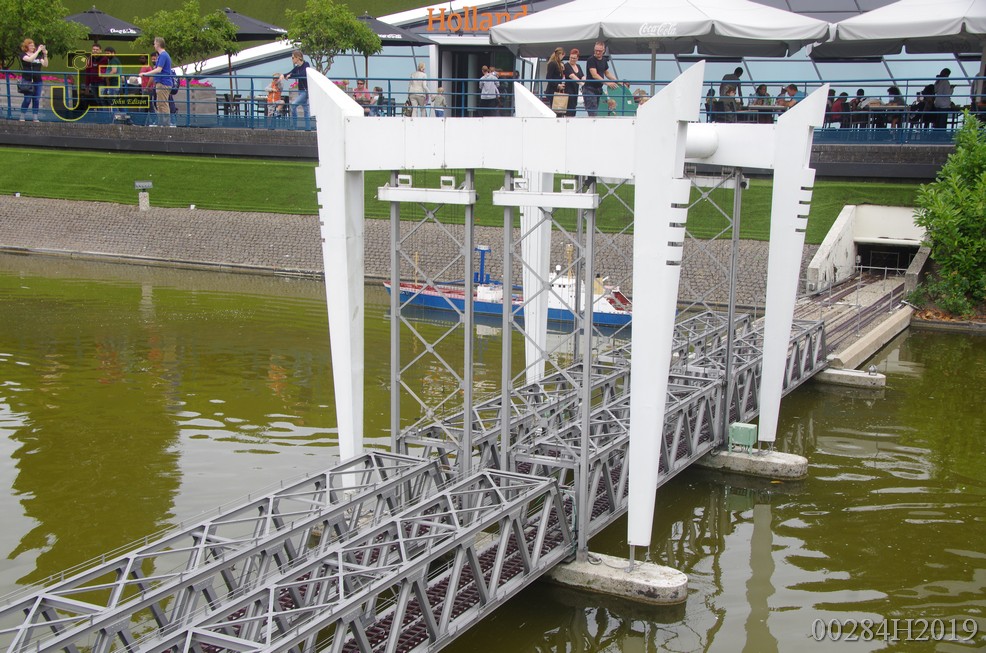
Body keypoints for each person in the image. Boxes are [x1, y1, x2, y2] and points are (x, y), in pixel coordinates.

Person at [138, 37, 175, 127]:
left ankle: (165, 123)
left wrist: (145, 74)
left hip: (163, 82)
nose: (154, 45)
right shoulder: (162, 55)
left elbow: (158, 69)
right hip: (161, 82)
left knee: (163, 103)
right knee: (159, 103)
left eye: (154, 43)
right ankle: (161, 122)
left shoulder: (163, 55)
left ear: (158, 44)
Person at [583, 41, 617, 117]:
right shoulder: (591, 60)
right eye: (596, 50)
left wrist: (616, 81)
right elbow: (594, 75)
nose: (597, 52)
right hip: (589, 89)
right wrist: (607, 83)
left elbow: (607, 73)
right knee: (593, 112)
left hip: (598, 89)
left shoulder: (604, 60)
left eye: (600, 51)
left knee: (595, 110)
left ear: (603, 51)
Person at [280, 49, 311, 129]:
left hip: (305, 91)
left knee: (293, 105)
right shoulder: (297, 67)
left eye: (293, 58)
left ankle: (294, 126)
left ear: (298, 57)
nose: (292, 59)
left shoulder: (306, 64)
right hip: (301, 91)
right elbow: (291, 72)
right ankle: (308, 128)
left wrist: (291, 75)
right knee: (306, 109)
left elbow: (302, 74)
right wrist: (283, 75)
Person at [18, 38, 47, 122]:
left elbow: (45, 64)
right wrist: (38, 51)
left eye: (33, 45)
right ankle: (22, 115)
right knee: (27, 99)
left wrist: (45, 55)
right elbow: (30, 59)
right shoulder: (23, 54)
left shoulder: (38, 56)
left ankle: (35, 117)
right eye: (30, 45)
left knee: (36, 99)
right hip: (27, 80)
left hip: (38, 80)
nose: (32, 47)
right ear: (26, 46)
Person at [562, 48, 584, 117]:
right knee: (569, 110)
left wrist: (585, 81)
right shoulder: (566, 66)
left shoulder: (578, 66)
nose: (572, 59)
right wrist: (582, 84)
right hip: (568, 91)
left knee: (573, 108)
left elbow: (582, 76)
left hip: (575, 91)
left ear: (577, 58)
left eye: (574, 58)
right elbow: (572, 76)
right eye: (570, 57)